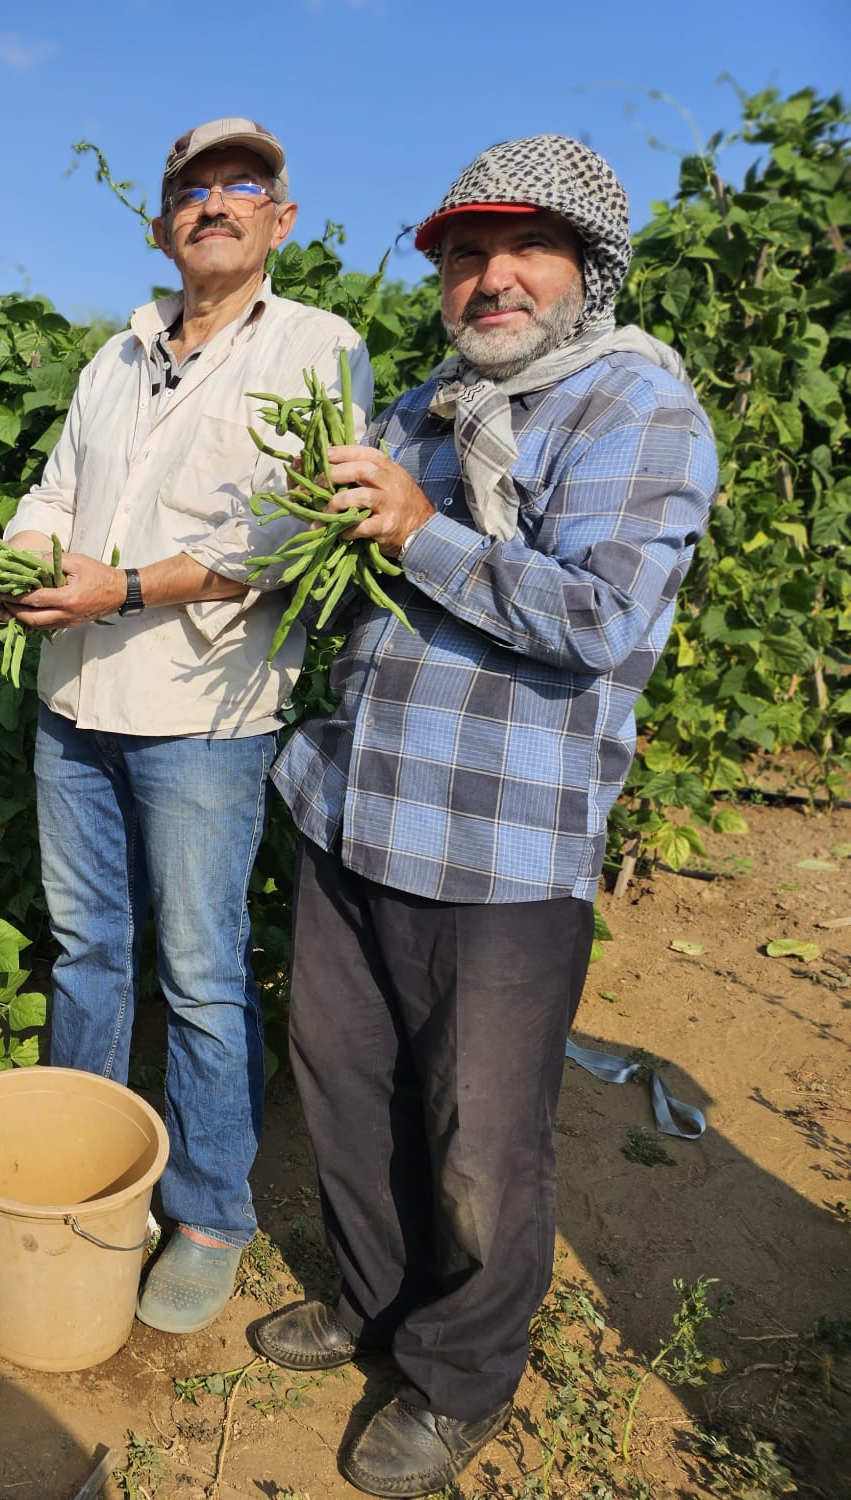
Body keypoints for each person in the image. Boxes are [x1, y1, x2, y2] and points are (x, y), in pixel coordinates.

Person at [257, 136, 717, 1497]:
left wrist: (416, 535)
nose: (490, 277)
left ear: (587, 270)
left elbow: (598, 616)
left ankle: (461, 1374)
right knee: (346, 1088)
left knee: (477, 1139)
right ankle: (375, 1302)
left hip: (502, 851)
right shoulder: (419, 408)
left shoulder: (633, 410)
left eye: (524, 249)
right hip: (356, 812)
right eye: (465, 254)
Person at [2, 119, 372, 1333]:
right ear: (160, 220)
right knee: (85, 951)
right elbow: (58, 486)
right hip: (75, 697)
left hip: (205, 710)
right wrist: (21, 552)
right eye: (191, 189)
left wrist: (128, 586)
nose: (213, 203)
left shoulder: (319, 349)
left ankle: (209, 1214)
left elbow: (293, 532)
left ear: (281, 218)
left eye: (241, 186)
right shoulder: (113, 357)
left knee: (203, 972)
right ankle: (90, 1177)